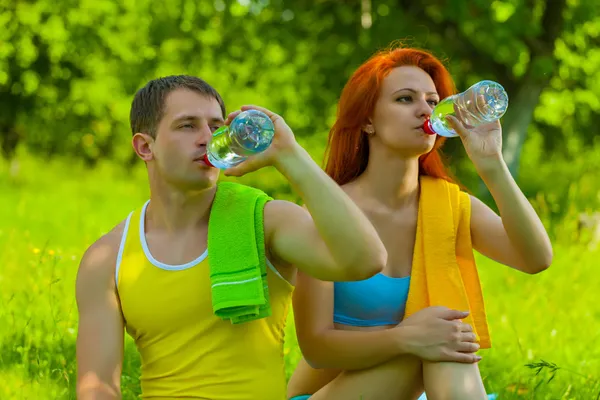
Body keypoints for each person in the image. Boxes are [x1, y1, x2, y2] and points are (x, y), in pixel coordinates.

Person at [75, 75, 389, 400]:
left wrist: (290, 156)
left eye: (214, 126)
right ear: (145, 146)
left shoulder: (264, 221)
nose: (207, 138)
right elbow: (97, 388)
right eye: (187, 126)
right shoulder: (109, 258)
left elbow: (366, 259)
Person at [287, 45, 553, 400]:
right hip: (332, 392)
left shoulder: (447, 205)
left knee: (443, 339)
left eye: (432, 100)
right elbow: (317, 349)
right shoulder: (326, 213)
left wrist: (492, 165)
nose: (426, 110)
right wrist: (407, 337)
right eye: (405, 99)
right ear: (367, 120)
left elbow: (535, 258)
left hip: (428, 382)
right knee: (441, 338)